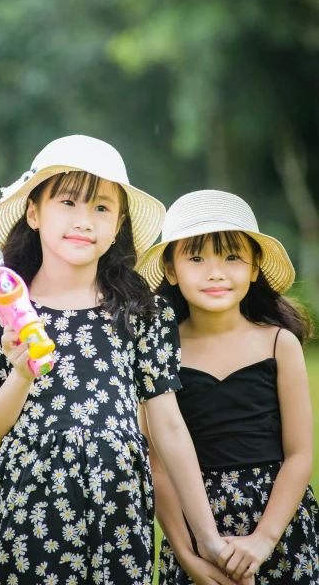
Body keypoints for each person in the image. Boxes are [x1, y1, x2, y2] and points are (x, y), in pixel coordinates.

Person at [0, 137, 241, 585]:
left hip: (121, 505)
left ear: (118, 225)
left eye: (101, 208)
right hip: (32, 508)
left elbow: (167, 426)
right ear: (34, 213)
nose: (83, 221)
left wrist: (204, 539)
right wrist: (19, 374)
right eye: (68, 201)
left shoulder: (141, 310)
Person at [138, 189, 318, 584]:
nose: (215, 272)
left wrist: (263, 539)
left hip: (277, 525)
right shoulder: (157, 350)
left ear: (255, 268)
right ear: (171, 270)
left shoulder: (278, 342)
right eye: (197, 258)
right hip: (196, 523)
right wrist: (188, 553)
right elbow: (158, 464)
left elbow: (300, 455)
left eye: (232, 257)